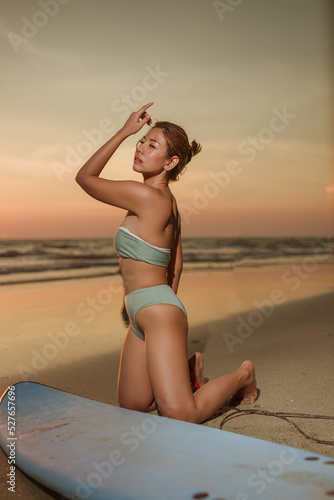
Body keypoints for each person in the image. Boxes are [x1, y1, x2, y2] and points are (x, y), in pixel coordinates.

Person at [76, 102, 257, 423]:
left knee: (178, 413)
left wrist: (124, 131)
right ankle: (186, 367)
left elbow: (85, 177)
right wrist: (157, 304)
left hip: (157, 312)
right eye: (140, 141)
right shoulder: (165, 203)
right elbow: (176, 264)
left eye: (152, 144)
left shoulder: (147, 196)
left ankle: (243, 376)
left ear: (171, 162)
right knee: (133, 405)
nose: (141, 148)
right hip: (143, 311)